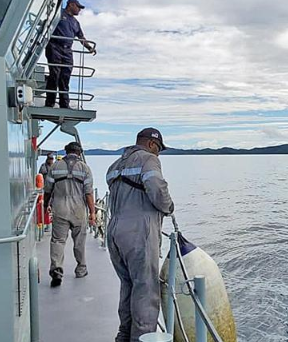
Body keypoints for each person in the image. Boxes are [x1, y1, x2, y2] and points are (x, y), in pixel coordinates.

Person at [106, 128, 174, 342]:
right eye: (159, 149)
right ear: (152, 144)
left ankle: (124, 335)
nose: (159, 154)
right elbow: (158, 191)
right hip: (138, 233)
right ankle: (142, 338)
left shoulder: (114, 165)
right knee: (145, 288)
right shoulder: (148, 160)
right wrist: (169, 207)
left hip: (114, 232)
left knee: (128, 285)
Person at [44, 141, 95, 287]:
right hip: (78, 209)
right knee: (79, 241)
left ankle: (57, 270)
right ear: (79, 153)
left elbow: (48, 190)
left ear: (66, 152)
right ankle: (81, 269)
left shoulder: (54, 167)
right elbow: (89, 193)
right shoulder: (85, 168)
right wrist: (92, 212)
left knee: (58, 241)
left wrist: (45, 205)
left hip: (60, 208)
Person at [45, 0, 96, 109]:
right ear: (71, 4)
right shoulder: (58, 14)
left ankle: (64, 104)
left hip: (67, 50)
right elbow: (47, 21)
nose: (79, 9)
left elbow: (81, 37)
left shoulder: (75, 23)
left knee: (65, 77)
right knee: (54, 74)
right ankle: (50, 103)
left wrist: (89, 47)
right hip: (55, 47)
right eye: (78, 7)